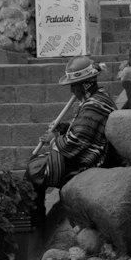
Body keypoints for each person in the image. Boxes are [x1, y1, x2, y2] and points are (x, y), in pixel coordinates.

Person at [23, 55, 118, 223]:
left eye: (73, 85)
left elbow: (76, 143)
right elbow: (83, 130)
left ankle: (35, 220)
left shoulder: (94, 104)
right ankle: (34, 217)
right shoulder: (95, 98)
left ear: (85, 84)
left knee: (34, 170)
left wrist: (53, 139)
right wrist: (64, 128)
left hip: (91, 159)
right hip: (85, 151)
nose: (71, 90)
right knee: (34, 163)